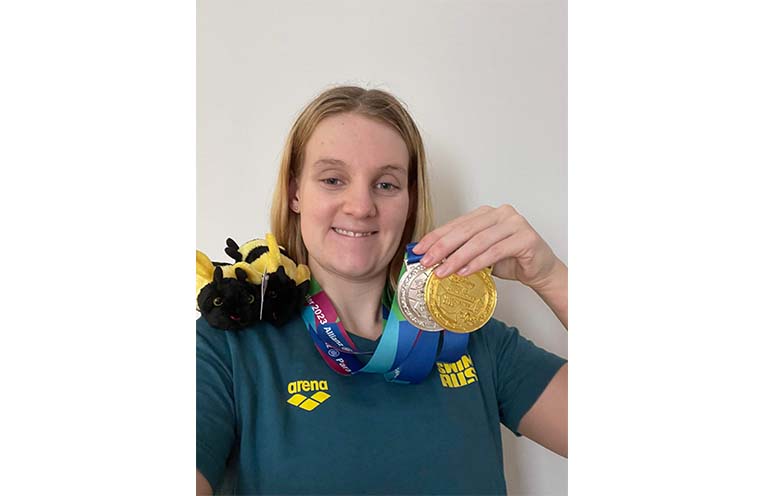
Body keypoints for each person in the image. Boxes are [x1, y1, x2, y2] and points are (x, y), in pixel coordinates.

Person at [197, 86, 568, 495]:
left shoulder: (470, 338)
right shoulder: (225, 348)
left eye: (386, 185)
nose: (361, 206)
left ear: (410, 200)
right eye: (333, 179)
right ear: (295, 193)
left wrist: (550, 276)